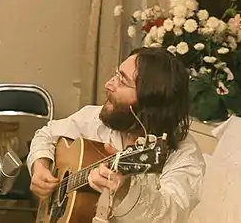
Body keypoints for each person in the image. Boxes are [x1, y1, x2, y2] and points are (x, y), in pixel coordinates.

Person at [27, 47, 205, 223]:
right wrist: (40, 166)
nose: (108, 85)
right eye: (116, 74)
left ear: (149, 101)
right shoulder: (94, 118)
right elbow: (47, 134)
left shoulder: (184, 155)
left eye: (122, 80)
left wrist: (125, 189)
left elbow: (170, 215)